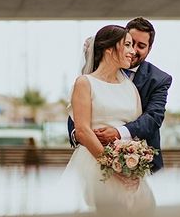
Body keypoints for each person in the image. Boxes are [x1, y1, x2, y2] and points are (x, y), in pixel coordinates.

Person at [63, 24, 156, 212]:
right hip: (94, 164)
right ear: (109, 48)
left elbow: (135, 129)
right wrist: (112, 167)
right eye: (127, 45)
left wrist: (132, 164)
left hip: (128, 168)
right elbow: (82, 131)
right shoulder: (85, 83)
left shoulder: (129, 87)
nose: (132, 52)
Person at [68, 17, 172, 173]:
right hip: (92, 158)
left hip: (137, 162)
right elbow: (79, 114)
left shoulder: (158, 79)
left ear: (149, 49)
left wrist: (118, 133)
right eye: (129, 43)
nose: (134, 51)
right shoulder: (90, 77)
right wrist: (80, 134)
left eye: (141, 46)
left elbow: (152, 118)